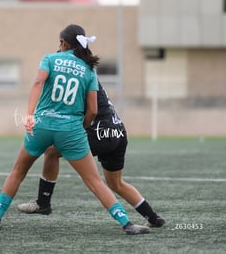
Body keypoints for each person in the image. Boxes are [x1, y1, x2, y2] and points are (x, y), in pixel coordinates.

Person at [0, 24, 150, 235]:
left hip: (42, 126)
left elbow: (37, 83)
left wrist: (30, 114)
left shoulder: (49, 59)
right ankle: (127, 224)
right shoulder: (88, 68)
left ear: (63, 42)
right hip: (71, 130)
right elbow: (93, 109)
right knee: (95, 182)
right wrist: (81, 127)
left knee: (18, 172)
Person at [17, 81, 166, 228]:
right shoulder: (88, 73)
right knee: (116, 183)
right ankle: (153, 217)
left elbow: (89, 111)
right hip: (118, 131)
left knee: (51, 153)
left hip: (100, 133)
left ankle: (43, 203)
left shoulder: (80, 76)